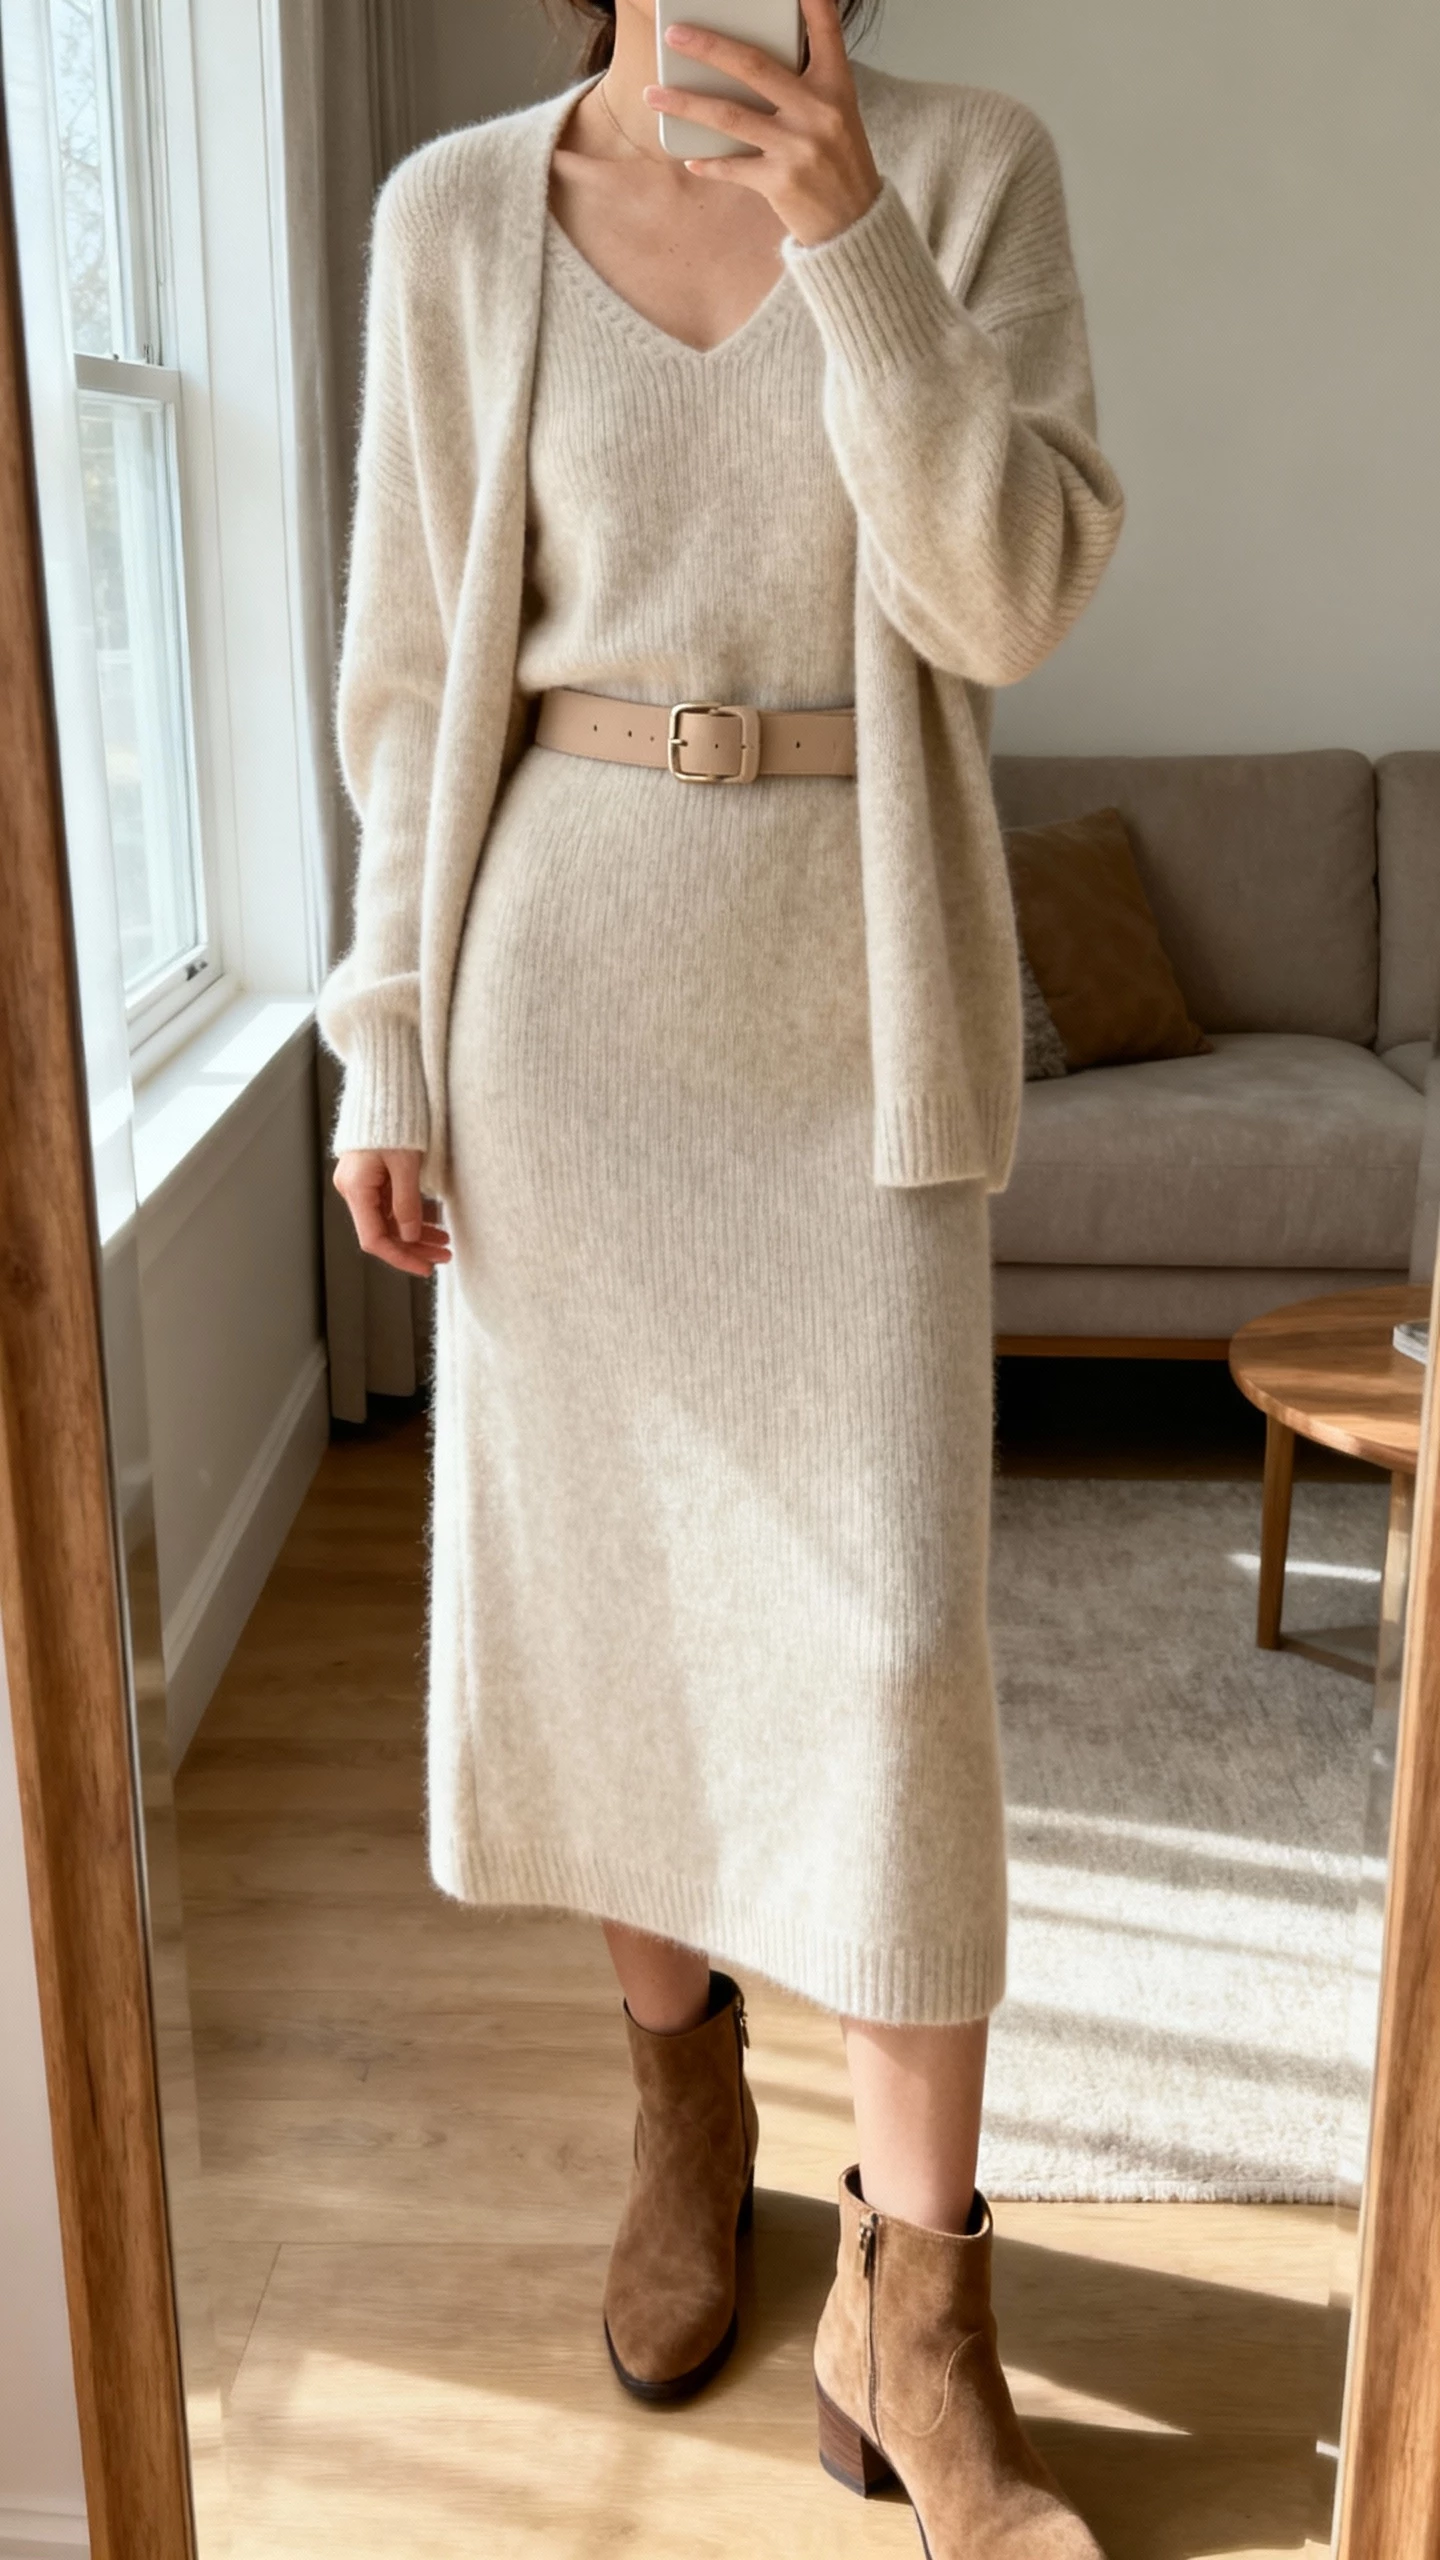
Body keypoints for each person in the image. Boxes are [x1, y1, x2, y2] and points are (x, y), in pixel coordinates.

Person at [320, 0, 1123, 2547]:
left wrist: (847, 239)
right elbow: (409, 686)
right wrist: (386, 1047)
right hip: (559, 1004)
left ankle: (924, 2306)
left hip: (851, 1006)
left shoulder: (971, 174)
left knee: (894, 1648)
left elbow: (1002, 606)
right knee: (628, 1614)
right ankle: (687, 2112)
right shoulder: (452, 215)